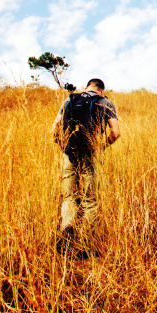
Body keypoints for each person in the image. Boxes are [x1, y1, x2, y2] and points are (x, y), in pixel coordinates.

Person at [50, 78, 121, 257]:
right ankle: (86, 244)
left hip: (69, 152)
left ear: (86, 87)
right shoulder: (105, 102)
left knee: (69, 196)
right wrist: (101, 147)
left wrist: (64, 146)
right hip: (91, 153)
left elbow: (54, 128)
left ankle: (67, 227)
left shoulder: (69, 100)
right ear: (101, 90)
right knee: (90, 199)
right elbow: (115, 132)